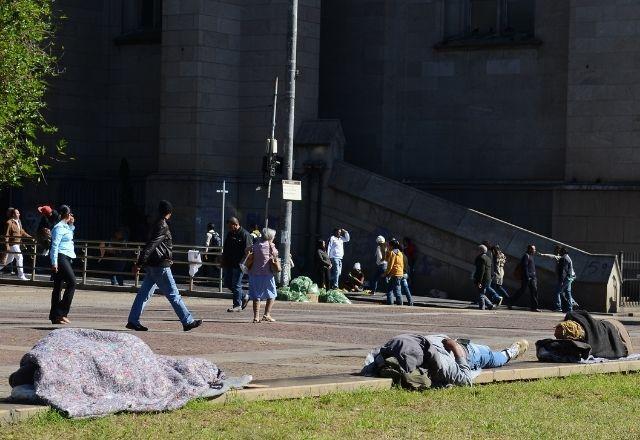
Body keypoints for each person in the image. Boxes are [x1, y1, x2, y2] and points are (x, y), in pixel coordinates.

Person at [127, 200, 202, 332]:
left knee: (143, 294)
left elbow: (150, 244)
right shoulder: (162, 225)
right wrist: (139, 263)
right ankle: (188, 321)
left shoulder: (155, 223)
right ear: (170, 212)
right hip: (160, 265)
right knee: (174, 294)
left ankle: (133, 320)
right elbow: (152, 245)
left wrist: (141, 262)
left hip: (153, 265)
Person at [363, 333, 529, 389]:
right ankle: (511, 351)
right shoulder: (399, 344)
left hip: (468, 351)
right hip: (462, 350)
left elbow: (464, 380)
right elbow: (464, 378)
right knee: (493, 357)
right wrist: (454, 346)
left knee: (495, 357)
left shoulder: (439, 361)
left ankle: (512, 351)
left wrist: (454, 346)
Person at [49, 205, 77, 324]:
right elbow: (54, 246)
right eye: (70, 214)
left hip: (67, 256)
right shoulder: (58, 227)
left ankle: (55, 316)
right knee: (72, 282)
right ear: (66, 214)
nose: (72, 216)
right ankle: (61, 312)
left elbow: (70, 236)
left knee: (58, 287)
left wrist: (71, 224)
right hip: (60, 257)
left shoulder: (66, 226)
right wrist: (54, 262)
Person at [248, 228, 279, 323]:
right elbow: (275, 255)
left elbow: (247, 250)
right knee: (272, 294)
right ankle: (266, 314)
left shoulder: (255, 245)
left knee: (256, 296)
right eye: (273, 236)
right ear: (270, 237)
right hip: (267, 274)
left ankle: (256, 317)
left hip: (254, 273)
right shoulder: (271, 246)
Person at [223, 217, 253, 312]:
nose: (229, 228)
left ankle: (237, 305)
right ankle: (245, 296)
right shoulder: (230, 234)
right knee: (227, 283)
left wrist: (243, 262)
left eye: (230, 226)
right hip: (229, 263)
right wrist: (222, 260)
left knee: (236, 284)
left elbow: (249, 251)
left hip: (239, 264)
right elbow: (226, 248)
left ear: (236, 224)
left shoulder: (245, 234)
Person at [539, 246, 576, 313]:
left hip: (567, 277)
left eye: (560, 251)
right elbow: (552, 256)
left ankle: (559, 307)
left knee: (557, 292)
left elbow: (563, 271)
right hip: (570, 276)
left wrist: (561, 280)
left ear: (563, 252)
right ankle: (570, 308)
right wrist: (543, 255)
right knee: (568, 292)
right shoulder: (567, 257)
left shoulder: (563, 258)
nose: (559, 253)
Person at [1, 207, 32, 281]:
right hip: (12, 244)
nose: (19, 214)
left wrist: (30, 237)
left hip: (17, 244)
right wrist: (7, 245)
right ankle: (21, 275)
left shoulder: (18, 221)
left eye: (18, 213)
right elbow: (6, 235)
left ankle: (21, 275)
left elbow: (22, 231)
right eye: (17, 213)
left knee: (9, 260)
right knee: (19, 257)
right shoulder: (9, 222)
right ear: (13, 214)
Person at [508, 244, 540, 312]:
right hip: (528, 278)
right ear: (530, 249)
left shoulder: (531, 256)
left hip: (533, 277)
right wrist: (527, 277)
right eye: (534, 249)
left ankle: (534, 307)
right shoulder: (526, 256)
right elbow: (524, 267)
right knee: (522, 291)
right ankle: (510, 302)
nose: (535, 250)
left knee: (534, 292)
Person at [474, 245, 495, 310]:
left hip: (482, 279)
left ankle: (483, 306)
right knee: (482, 292)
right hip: (488, 279)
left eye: (478, 250)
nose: (476, 251)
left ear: (480, 250)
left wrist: (479, 281)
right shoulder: (488, 258)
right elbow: (491, 269)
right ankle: (489, 305)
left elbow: (481, 270)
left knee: (480, 293)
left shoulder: (480, 258)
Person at [384, 238, 404, 305]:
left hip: (394, 273)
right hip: (400, 273)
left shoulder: (393, 253)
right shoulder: (400, 253)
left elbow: (390, 264)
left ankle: (390, 302)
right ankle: (400, 303)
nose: (388, 246)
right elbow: (402, 264)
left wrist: (386, 273)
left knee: (390, 289)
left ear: (391, 246)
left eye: (389, 245)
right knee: (398, 288)